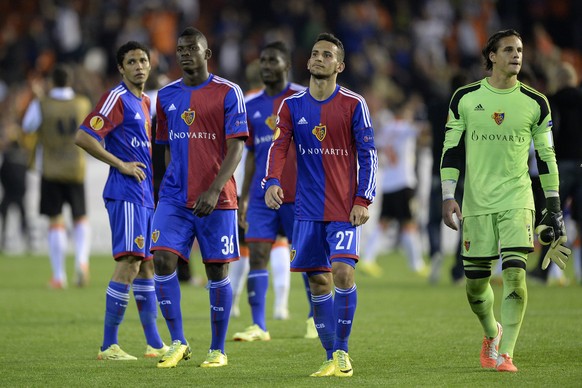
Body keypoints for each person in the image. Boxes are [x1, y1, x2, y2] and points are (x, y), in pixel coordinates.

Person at [441, 29, 570, 373]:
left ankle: (507, 354)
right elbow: (451, 150)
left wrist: (554, 207)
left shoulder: (536, 102)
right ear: (491, 56)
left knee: (515, 275)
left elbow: (546, 157)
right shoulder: (465, 98)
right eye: (509, 50)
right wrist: (447, 196)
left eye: (520, 50)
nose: (517, 55)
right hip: (477, 202)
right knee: (475, 287)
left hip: (518, 198)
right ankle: (492, 332)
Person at [264, 32, 377, 378]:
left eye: (326, 55)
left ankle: (342, 352)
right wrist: (271, 181)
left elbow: (368, 155)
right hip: (307, 210)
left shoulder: (354, 104)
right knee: (318, 283)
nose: (318, 59)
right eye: (315, 54)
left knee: (342, 273)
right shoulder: (291, 105)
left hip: (344, 209)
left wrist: (363, 199)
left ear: (339, 65)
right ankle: (330, 355)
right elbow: (278, 147)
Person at [151, 27, 248, 369]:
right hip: (175, 198)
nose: (185, 53)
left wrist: (215, 188)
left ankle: (218, 348)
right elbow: (162, 149)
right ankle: (178, 341)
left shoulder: (228, 92)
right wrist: (162, 192)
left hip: (217, 199)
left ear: (207, 54)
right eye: (180, 49)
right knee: (162, 260)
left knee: (215, 269)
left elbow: (237, 146)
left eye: (192, 48)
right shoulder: (165, 97)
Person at [75, 41, 169, 361]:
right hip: (125, 191)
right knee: (129, 262)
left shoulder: (143, 102)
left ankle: (154, 343)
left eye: (144, 60)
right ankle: (108, 345)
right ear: (121, 68)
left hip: (144, 193)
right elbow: (84, 136)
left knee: (145, 265)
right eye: (132, 62)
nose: (140, 66)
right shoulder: (116, 98)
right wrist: (121, 164)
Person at [232, 41, 316, 342]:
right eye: (263, 60)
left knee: (307, 256)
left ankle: (313, 318)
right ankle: (258, 325)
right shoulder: (251, 105)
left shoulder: (302, 98)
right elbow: (252, 155)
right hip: (260, 194)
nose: (266, 65)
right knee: (256, 255)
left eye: (273, 60)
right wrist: (243, 196)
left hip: (299, 193)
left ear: (287, 65)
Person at [22, 64, 92, 288]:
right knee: (80, 217)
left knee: (55, 221)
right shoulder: (82, 104)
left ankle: (59, 276)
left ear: (52, 82)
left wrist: (38, 97)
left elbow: (27, 127)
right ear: (70, 81)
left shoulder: (41, 104)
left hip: (51, 169)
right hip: (76, 168)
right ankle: (82, 262)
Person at [359, 97, 427, 278]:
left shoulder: (385, 130)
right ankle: (417, 265)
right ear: (404, 113)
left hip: (388, 182)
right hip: (405, 182)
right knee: (409, 224)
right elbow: (425, 133)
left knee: (383, 223)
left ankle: (367, 260)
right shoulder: (407, 128)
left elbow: (376, 148)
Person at [530, 61, 581, 284]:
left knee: (553, 219)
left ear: (558, 80)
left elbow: (551, 132)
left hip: (561, 166)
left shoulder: (552, 101)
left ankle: (544, 270)